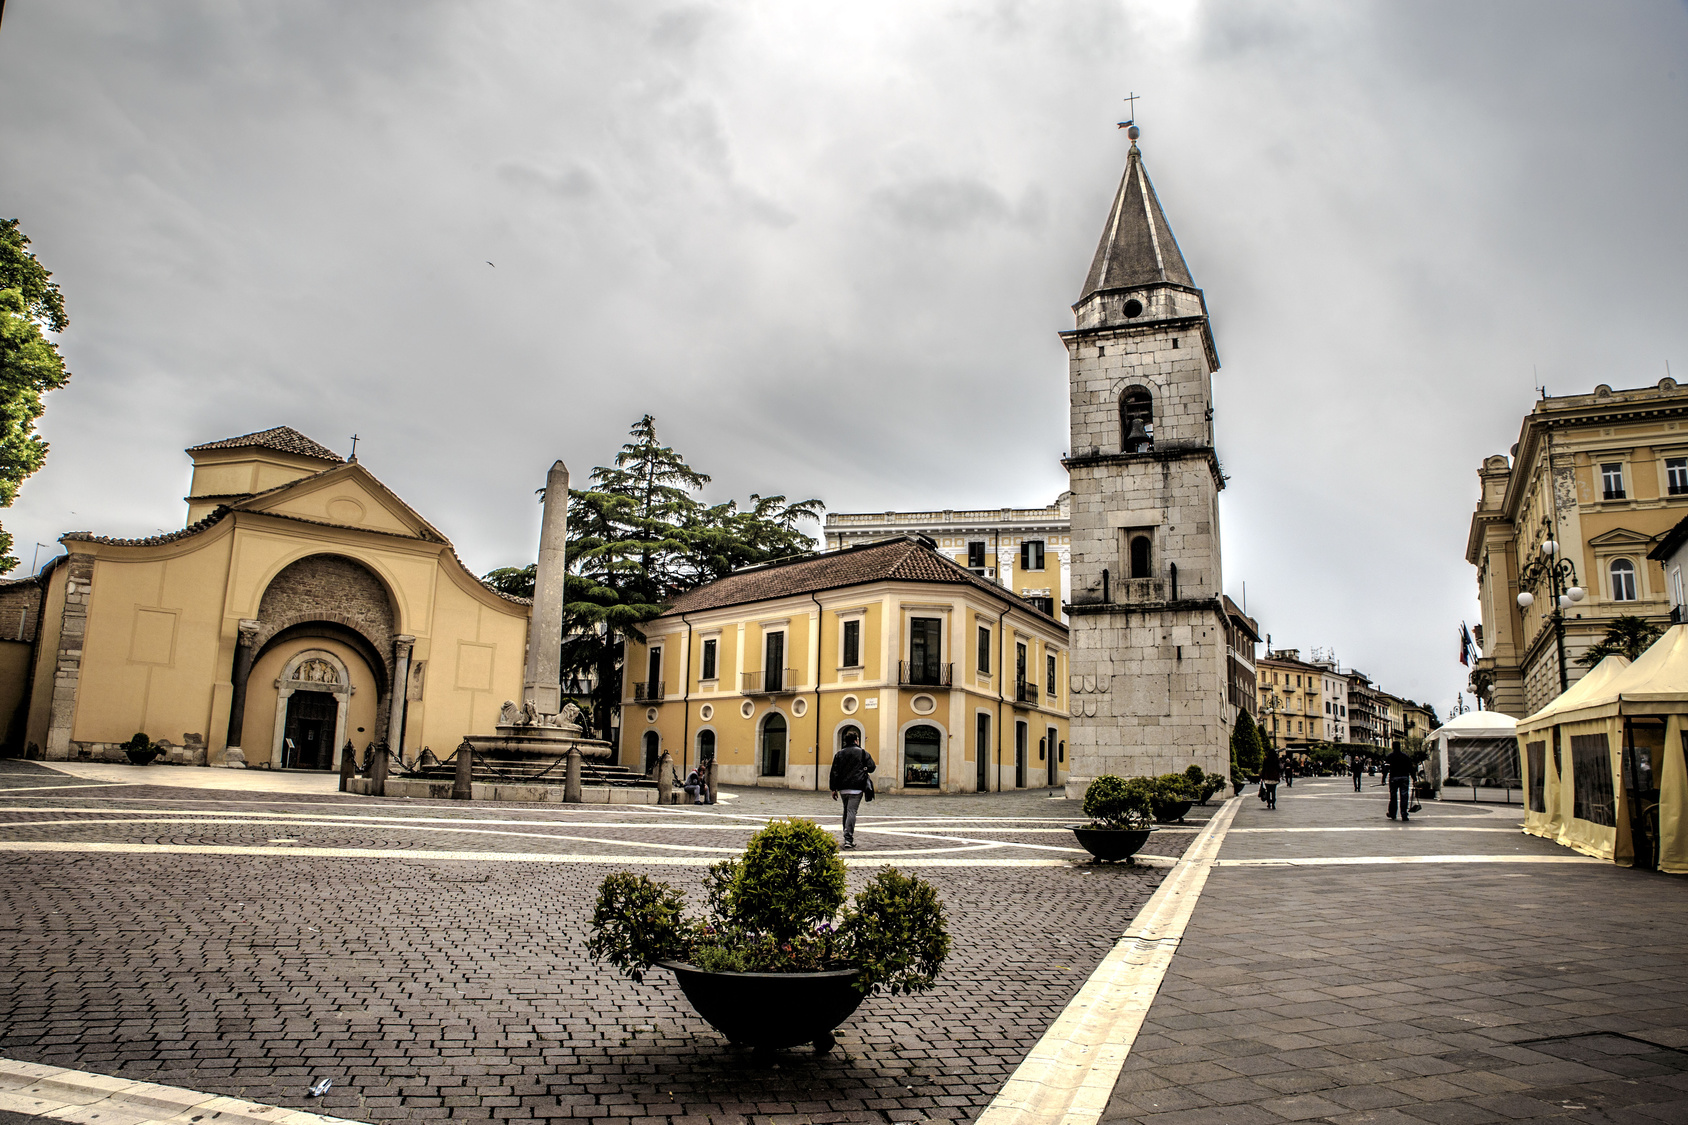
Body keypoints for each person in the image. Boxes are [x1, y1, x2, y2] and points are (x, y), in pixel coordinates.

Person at [828, 728, 876, 849]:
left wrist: (833, 789)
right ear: (856, 741)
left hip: (843, 788)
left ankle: (846, 836)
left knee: (846, 810)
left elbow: (834, 772)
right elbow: (872, 767)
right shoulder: (863, 753)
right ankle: (848, 838)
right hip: (857, 787)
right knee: (851, 811)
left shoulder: (839, 754)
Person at [1385, 745, 1416, 821]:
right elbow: (1410, 768)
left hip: (1393, 778)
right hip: (1404, 777)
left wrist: (1383, 779)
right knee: (1404, 796)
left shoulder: (1390, 756)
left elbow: (1386, 768)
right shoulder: (1405, 756)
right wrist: (1414, 778)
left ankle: (1392, 813)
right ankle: (1404, 813)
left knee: (1393, 796)